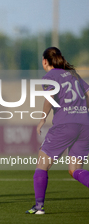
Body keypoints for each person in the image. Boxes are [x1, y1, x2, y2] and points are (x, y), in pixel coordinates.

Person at [26, 47, 89, 214]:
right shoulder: (74, 75)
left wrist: (42, 119)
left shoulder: (50, 76)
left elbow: (49, 98)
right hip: (85, 125)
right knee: (75, 170)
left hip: (65, 125)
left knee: (42, 163)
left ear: (45, 61)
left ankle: (39, 207)